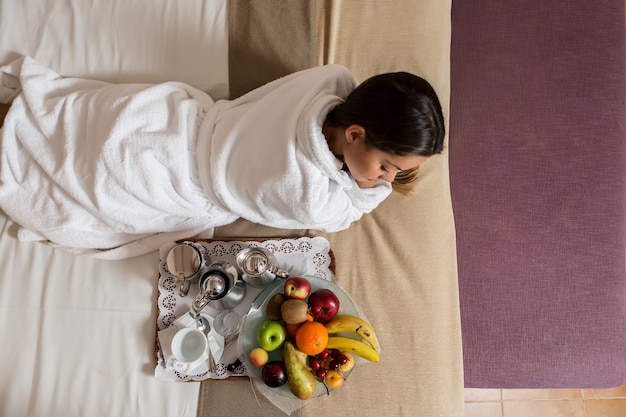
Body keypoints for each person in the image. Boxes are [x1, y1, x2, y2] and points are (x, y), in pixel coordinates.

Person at [0, 56, 444, 259]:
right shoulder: (308, 193)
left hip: (177, 118)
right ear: (354, 134)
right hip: (182, 180)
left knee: (72, 118)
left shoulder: (325, 85)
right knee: (86, 180)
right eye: (388, 166)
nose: (386, 181)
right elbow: (346, 212)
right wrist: (368, 189)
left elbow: (345, 79)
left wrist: (376, 158)